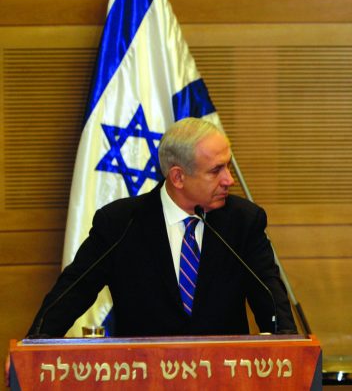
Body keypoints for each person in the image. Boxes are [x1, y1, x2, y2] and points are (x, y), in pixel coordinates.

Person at [27, 117, 296, 337]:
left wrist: (290, 349)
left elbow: (272, 300)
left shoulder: (243, 221)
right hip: (143, 373)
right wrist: (32, 348)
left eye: (227, 166)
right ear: (178, 177)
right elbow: (73, 292)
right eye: (216, 171)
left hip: (224, 374)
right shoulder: (120, 223)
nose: (229, 180)